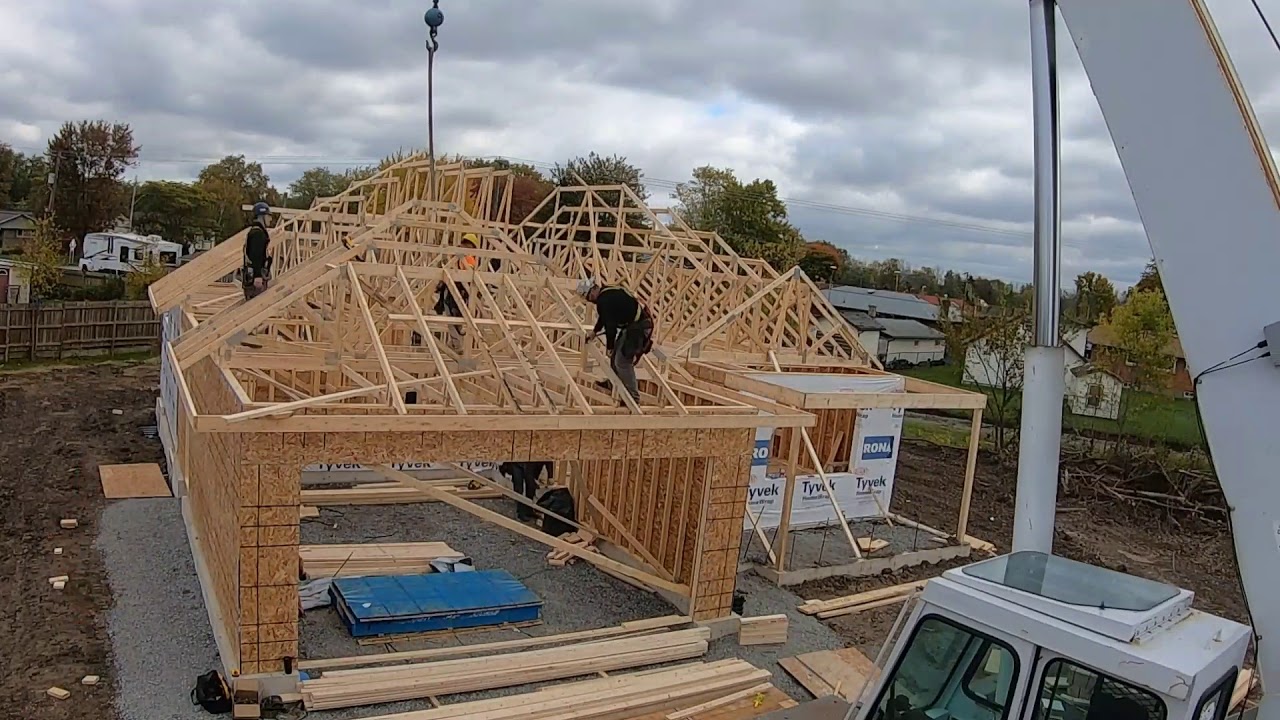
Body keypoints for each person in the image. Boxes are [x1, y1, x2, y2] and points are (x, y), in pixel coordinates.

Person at [577, 278, 654, 402]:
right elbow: (605, 317)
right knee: (615, 359)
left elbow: (610, 325)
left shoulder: (604, 300)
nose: (591, 300)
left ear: (594, 290)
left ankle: (633, 398)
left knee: (622, 361)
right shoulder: (607, 294)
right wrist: (595, 332)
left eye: (589, 297)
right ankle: (613, 383)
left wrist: (610, 347)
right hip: (634, 326)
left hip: (639, 326)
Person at [242, 201, 273, 300]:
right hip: (255, 280)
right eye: (268, 216)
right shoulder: (258, 234)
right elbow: (256, 256)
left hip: (252, 276)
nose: (270, 219)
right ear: (262, 216)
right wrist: (258, 276)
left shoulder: (255, 231)